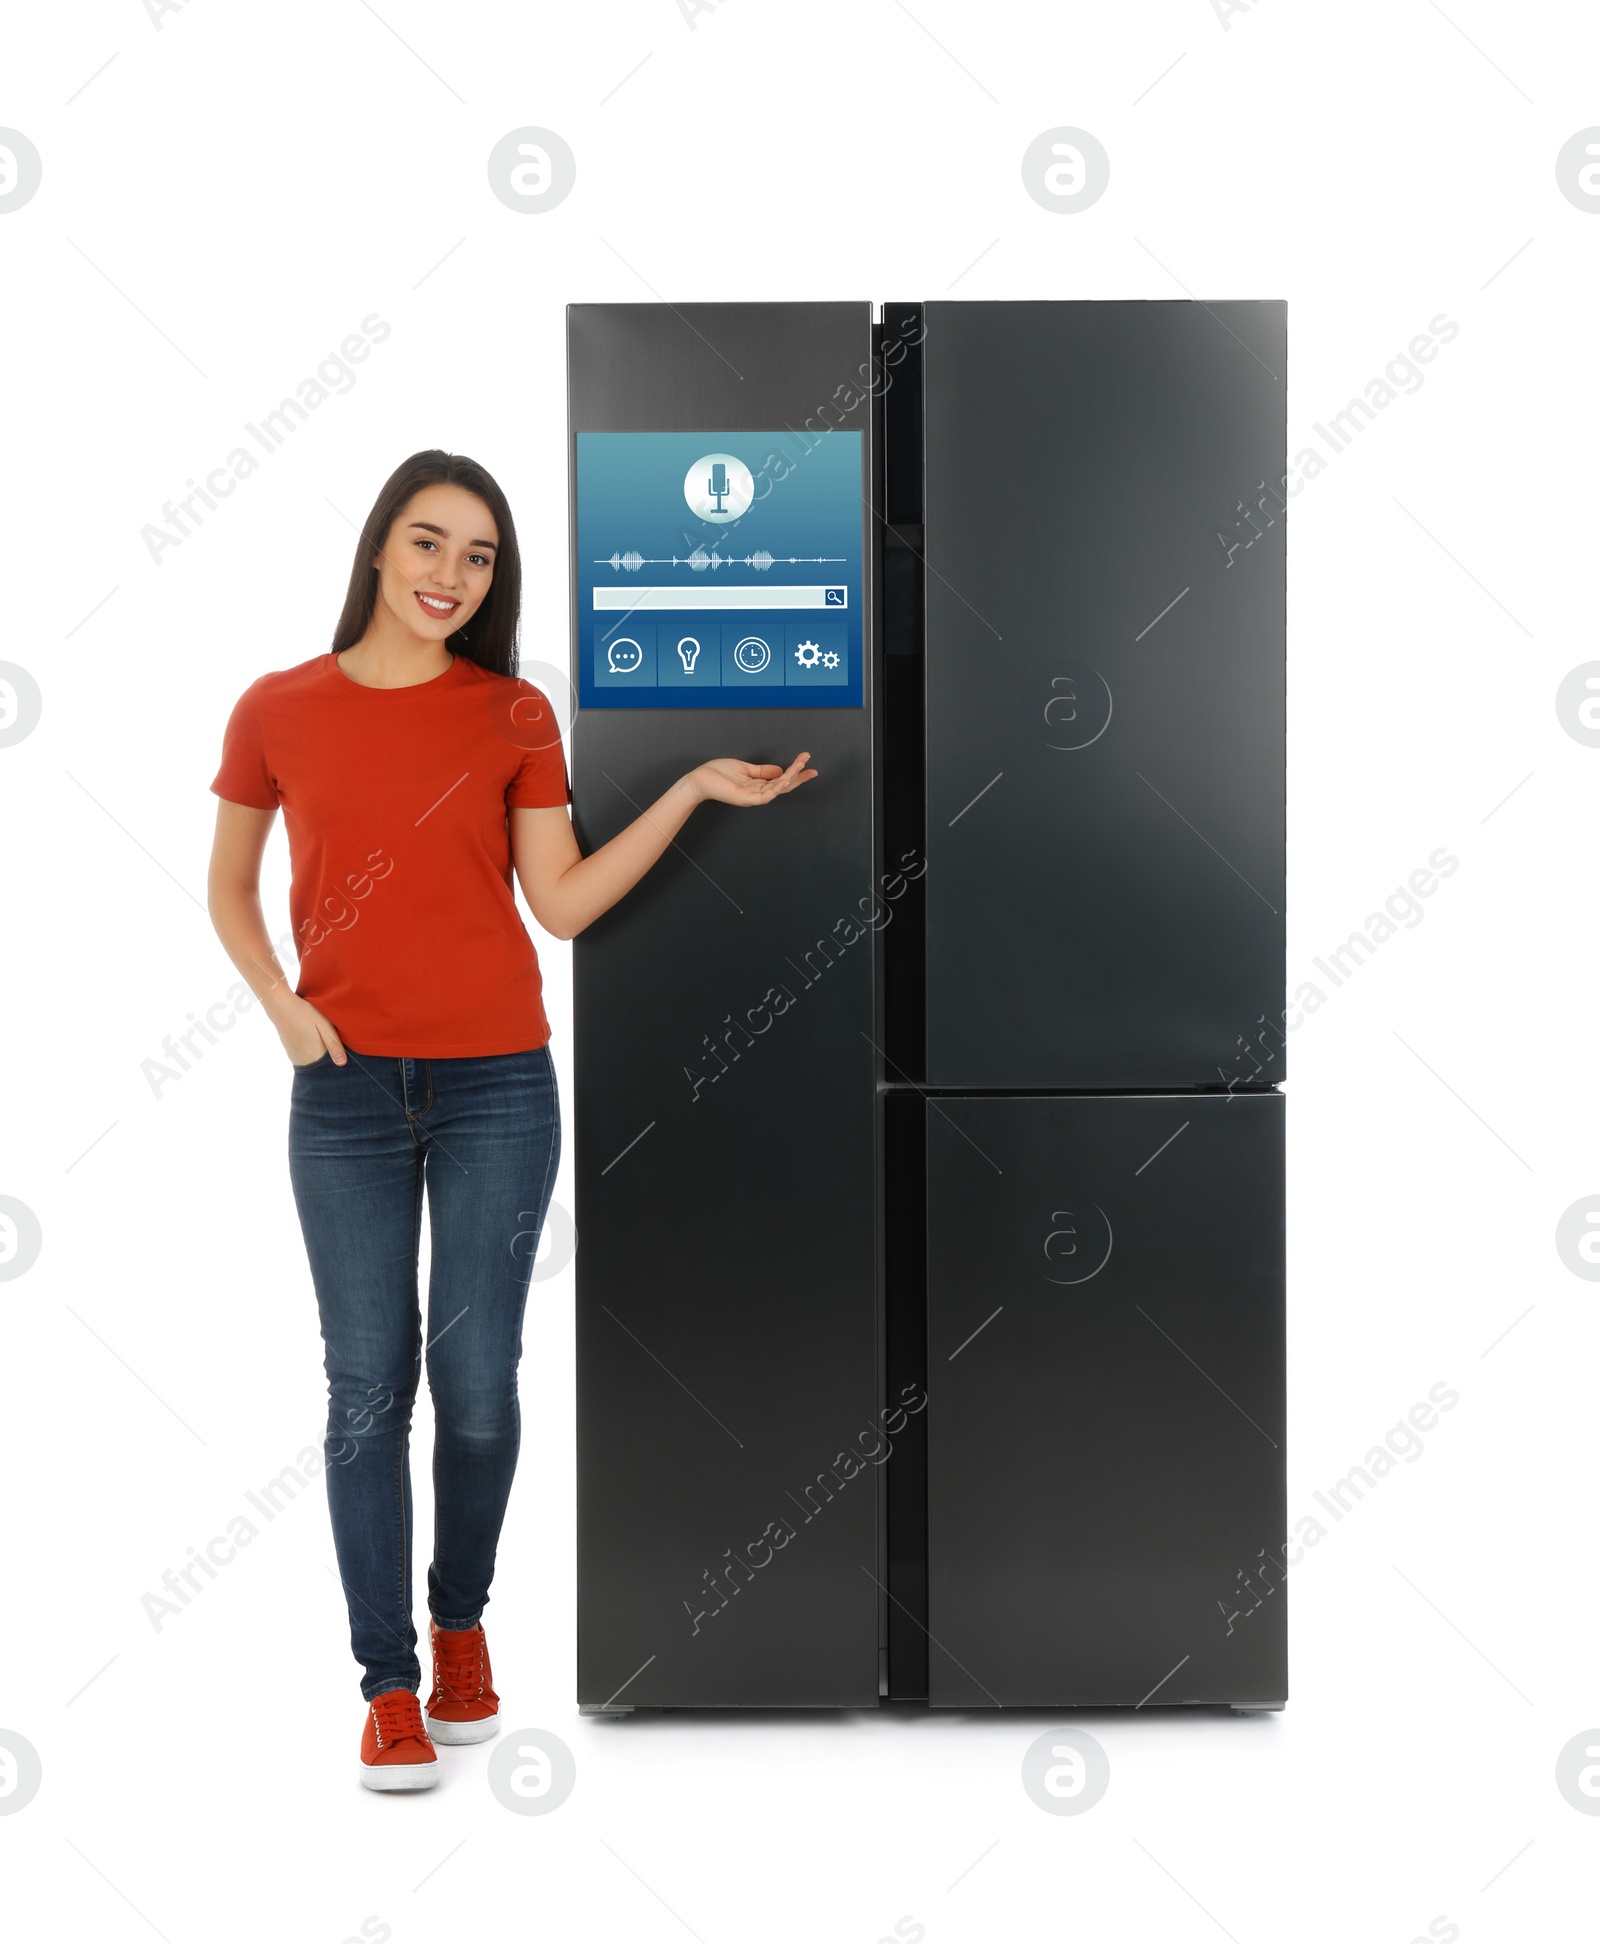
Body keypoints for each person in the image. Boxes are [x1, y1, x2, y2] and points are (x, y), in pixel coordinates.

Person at [206, 449, 816, 1790]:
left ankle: (462, 1621)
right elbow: (231, 889)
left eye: (477, 557)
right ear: (378, 550)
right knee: (368, 1391)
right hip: (344, 1090)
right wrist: (279, 1007)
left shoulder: (513, 714)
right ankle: (388, 1686)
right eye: (428, 545)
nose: (448, 576)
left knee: (477, 1392)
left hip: (497, 1087)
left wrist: (692, 792)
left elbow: (565, 902)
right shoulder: (277, 709)